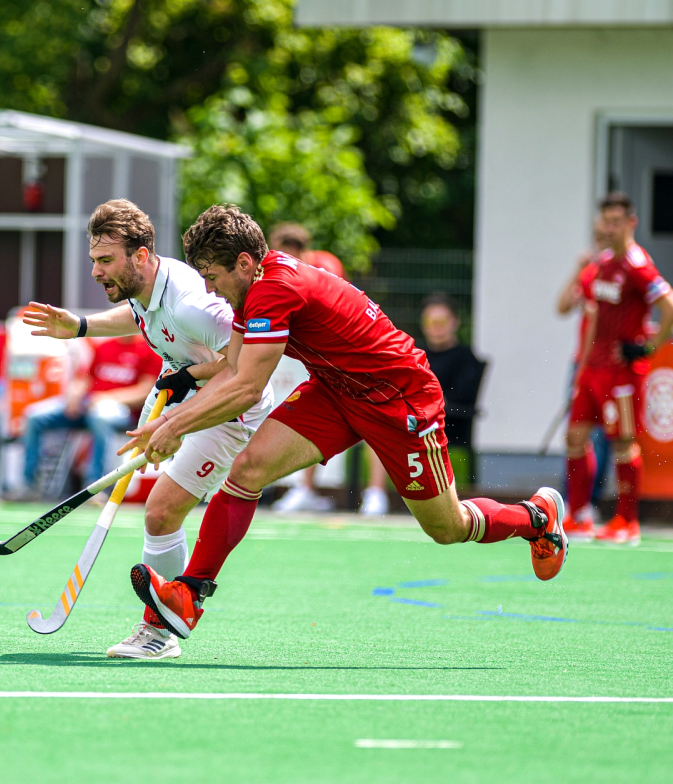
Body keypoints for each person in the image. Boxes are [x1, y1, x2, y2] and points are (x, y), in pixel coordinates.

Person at [123, 205, 568, 642]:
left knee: (447, 527)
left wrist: (174, 427)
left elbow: (246, 389)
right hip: (337, 391)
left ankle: (534, 518)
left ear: (243, 262)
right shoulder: (251, 287)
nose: (209, 288)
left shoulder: (274, 290)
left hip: (400, 400)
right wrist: (176, 405)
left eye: (212, 276)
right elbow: (233, 366)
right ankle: (190, 592)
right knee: (247, 470)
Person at [22, 199, 275, 660]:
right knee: (160, 512)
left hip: (230, 409)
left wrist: (180, 407)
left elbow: (240, 365)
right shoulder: (146, 288)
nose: (97, 272)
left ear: (140, 256)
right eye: (94, 260)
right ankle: (163, 625)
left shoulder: (193, 303)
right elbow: (138, 315)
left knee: (160, 512)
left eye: (106, 261)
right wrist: (80, 326)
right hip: (185, 397)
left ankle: (160, 632)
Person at [564, 192, 673, 545]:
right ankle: (578, 515)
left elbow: (668, 304)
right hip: (593, 370)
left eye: (616, 222)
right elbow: (585, 311)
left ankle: (627, 521)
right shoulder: (603, 262)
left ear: (631, 223)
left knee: (624, 444)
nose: (609, 228)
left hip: (622, 374)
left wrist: (650, 347)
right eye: (605, 221)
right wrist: (582, 362)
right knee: (575, 438)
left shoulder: (639, 265)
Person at [265, 222, 390, 516]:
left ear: (303, 251)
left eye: (290, 255)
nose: (283, 262)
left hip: (353, 358)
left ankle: (376, 494)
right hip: (320, 362)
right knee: (307, 421)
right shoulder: (276, 273)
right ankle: (306, 489)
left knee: (376, 419)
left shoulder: (325, 267)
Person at [17, 333, 161, 496]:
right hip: (88, 404)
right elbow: (84, 378)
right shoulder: (105, 345)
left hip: (120, 409)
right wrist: (74, 396)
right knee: (34, 416)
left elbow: (146, 391)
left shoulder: (150, 348)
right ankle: (28, 485)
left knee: (100, 417)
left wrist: (108, 398)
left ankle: (95, 487)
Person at [555, 221, 612, 525]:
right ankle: (572, 500)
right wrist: (578, 269)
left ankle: (589, 500)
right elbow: (562, 306)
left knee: (603, 436)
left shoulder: (622, 272)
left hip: (609, 365)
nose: (601, 242)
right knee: (576, 433)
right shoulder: (590, 270)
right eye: (598, 237)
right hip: (582, 362)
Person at [418, 294, 485, 457]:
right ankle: (377, 483)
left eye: (442, 321)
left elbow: (462, 398)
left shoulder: (466, 358)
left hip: (447, 427)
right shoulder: (416, 355)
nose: (437, 327)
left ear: (455, 322)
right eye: (431, 322)